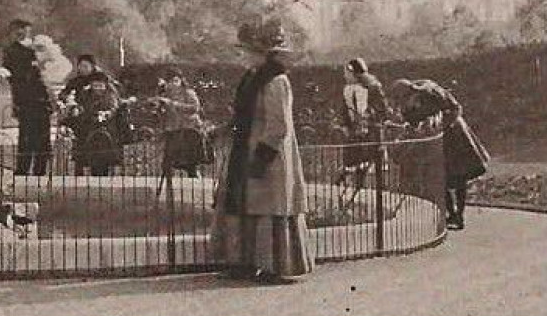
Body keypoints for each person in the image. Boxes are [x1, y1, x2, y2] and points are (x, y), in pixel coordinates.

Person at [211, 20, 314, 282]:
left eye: (246, 51)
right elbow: (244, 114)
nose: (242, 56)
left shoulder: (276, 81)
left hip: (269, 156)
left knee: (268, 207)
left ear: (262, 54)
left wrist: (261, 157)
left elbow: (279, 125)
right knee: (247, 204)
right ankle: (245, 262)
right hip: (246, 150)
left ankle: (274, 266)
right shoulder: (252, 78)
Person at [390, 77, 489, 230]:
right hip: (436, 141)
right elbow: (412, 125)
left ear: (412, 92)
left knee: (460, 175)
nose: (408, 103)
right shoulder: (407, 107)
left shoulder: (431, 92)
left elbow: (456, 108)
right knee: (440, 178)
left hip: (455, 136)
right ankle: (451, 213)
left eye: (409, 99)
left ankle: (459, 216)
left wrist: (442, 124)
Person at [58, 54, 125, 177]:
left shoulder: (105, 83)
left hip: (102, 122)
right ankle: (79, 173)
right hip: (84, 117)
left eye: (86, 66)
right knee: (80, 144)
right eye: (80, 66)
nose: (82, 69)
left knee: (101, 150)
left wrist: (106, 113)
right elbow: (66, 94)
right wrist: (70, 104)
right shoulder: (78, 83)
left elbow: (114, 101)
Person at [1, 19, 53, 176]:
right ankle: (24, 170)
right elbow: (15, 75)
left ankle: (40, 170)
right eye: (19, 31)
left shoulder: (36, 49)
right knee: (27, 136)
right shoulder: (13, 51)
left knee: (42, 137)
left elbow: (48, 71)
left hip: (41, 98)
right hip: (26, 99)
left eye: (25, 31)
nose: (22, 34)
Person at [339, 58, 390, 186]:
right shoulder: (347, 90)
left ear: (353, 72)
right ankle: (352, 190)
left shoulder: (372, 87)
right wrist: (345, 124)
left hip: (370, 133)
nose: (345, 76)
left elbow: (382, 109)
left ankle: (373, 193)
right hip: (353, 134)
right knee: (352, 163)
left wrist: (368, 118)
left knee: (369, 164)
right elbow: (344, 110)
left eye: (347, 72)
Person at [156, 68, 209, 178]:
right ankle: (168, 186)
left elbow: (195, 108)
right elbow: (162, 114)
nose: (173, 84)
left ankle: (195, 181)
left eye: (176, 81)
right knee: (168, 161)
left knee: (190, 162)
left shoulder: (188, 93)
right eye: (170, 82)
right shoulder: (166, 94)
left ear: (181, 81)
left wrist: (174, 104)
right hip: (173, 129)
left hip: (188, 129)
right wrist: (160, 108)